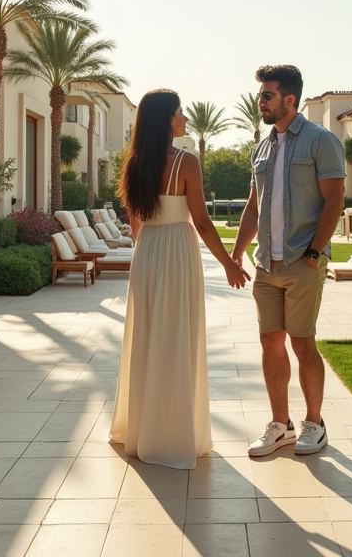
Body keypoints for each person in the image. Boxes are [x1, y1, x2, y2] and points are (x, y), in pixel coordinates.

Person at [109, 89, 250, 469]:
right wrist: (228, 264)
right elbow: (202, 222)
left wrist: (146, 249)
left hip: (148, 253)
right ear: (166, 120)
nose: (185, 118)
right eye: (179, 112)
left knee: (148, 336)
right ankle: (171, 435)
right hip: (176, 251)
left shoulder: (134, 163)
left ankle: (140, 430)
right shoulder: (186, 161)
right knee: (177, 337)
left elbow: (136, 223)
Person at [230, 65, 345, 456]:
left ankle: (315, 423)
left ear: (289, 99)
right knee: (269, 342)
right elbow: (253, 205)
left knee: (302, 343)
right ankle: (281, 425)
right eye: (261, 95)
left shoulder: (320, 141)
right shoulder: (261, 148)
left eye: (267, 95)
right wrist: (236, 251)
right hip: (267, 264)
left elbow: (334, 200)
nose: (260, 101)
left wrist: (314, 251)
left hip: (302, 260)